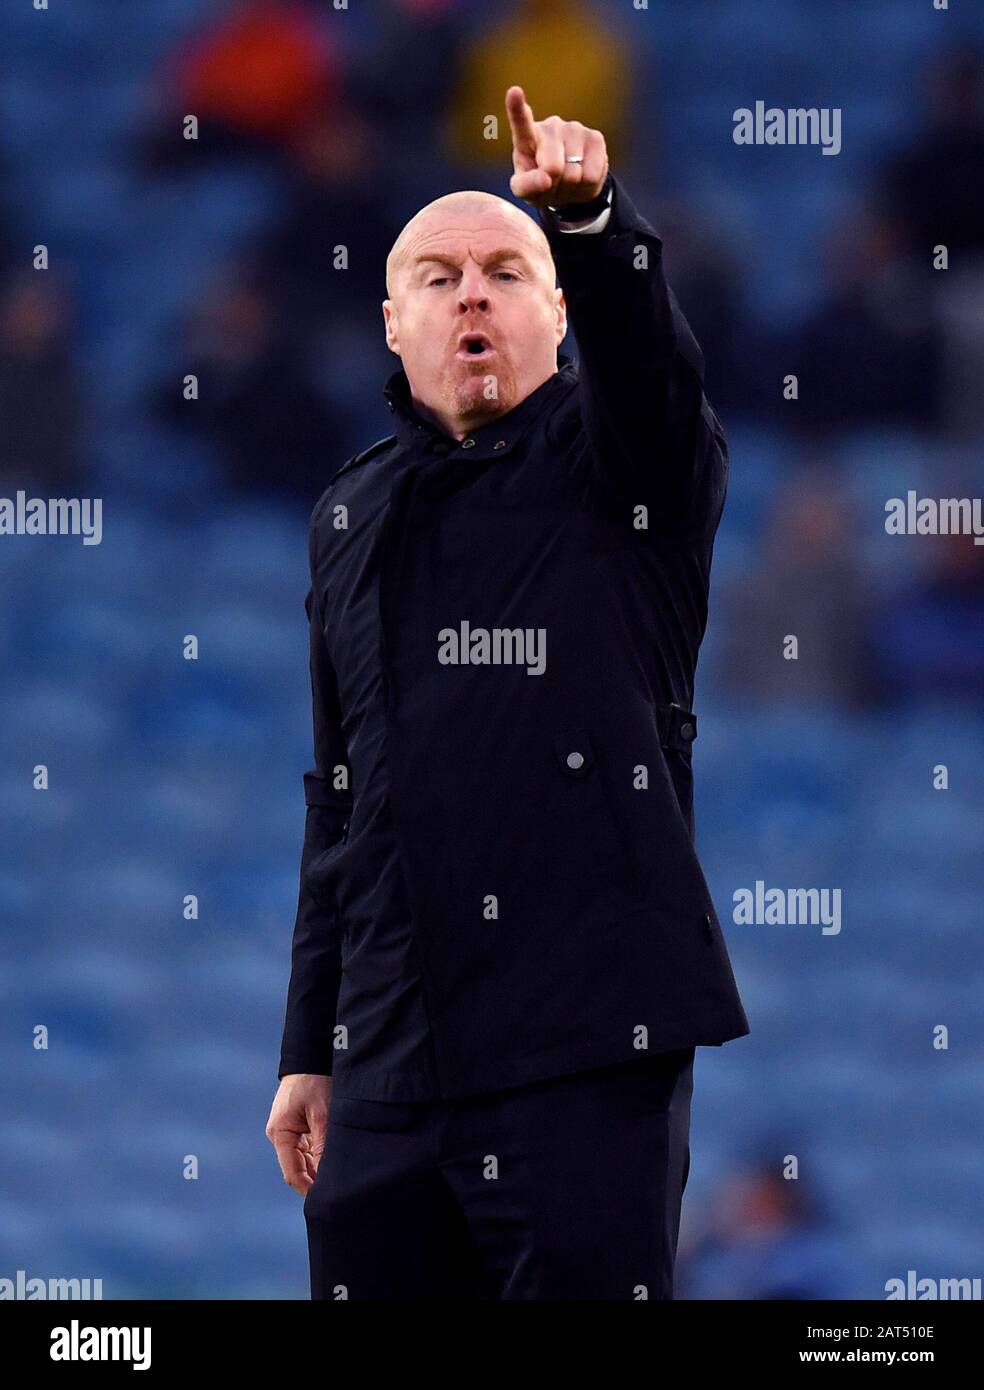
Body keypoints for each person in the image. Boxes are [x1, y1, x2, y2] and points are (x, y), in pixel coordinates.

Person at [266, 86, 750, 1301]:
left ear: (558, 312)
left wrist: (593, 225)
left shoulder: (630, 462)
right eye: (437, 277)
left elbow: (651, 372)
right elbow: (339, 797)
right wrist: (310, 1049)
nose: (471, 293)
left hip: (586, 1049)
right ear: (392, 323)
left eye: (505, 271)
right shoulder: (346, 512)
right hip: (386, 1060)